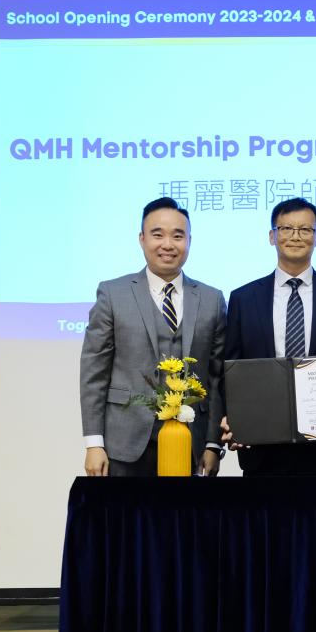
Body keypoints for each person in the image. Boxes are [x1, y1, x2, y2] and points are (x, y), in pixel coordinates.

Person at [80, 197, 226, 477]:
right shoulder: (112, 294)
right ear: (142, 239)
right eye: (158, 235)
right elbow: (94, 373)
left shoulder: (212, 299)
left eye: (178, 236)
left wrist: (212, 443)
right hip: (124, 443)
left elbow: (217, 378)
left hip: (190, 443)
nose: (168, 244)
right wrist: (94, 443)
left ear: (189, 241)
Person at [222, 198, 316, 476]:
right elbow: (232, 369)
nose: (295, 236)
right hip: (261, 443)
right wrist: (235, 417)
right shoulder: (243, 298)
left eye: (305, 230)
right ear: (272, 236)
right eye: (286, 228)